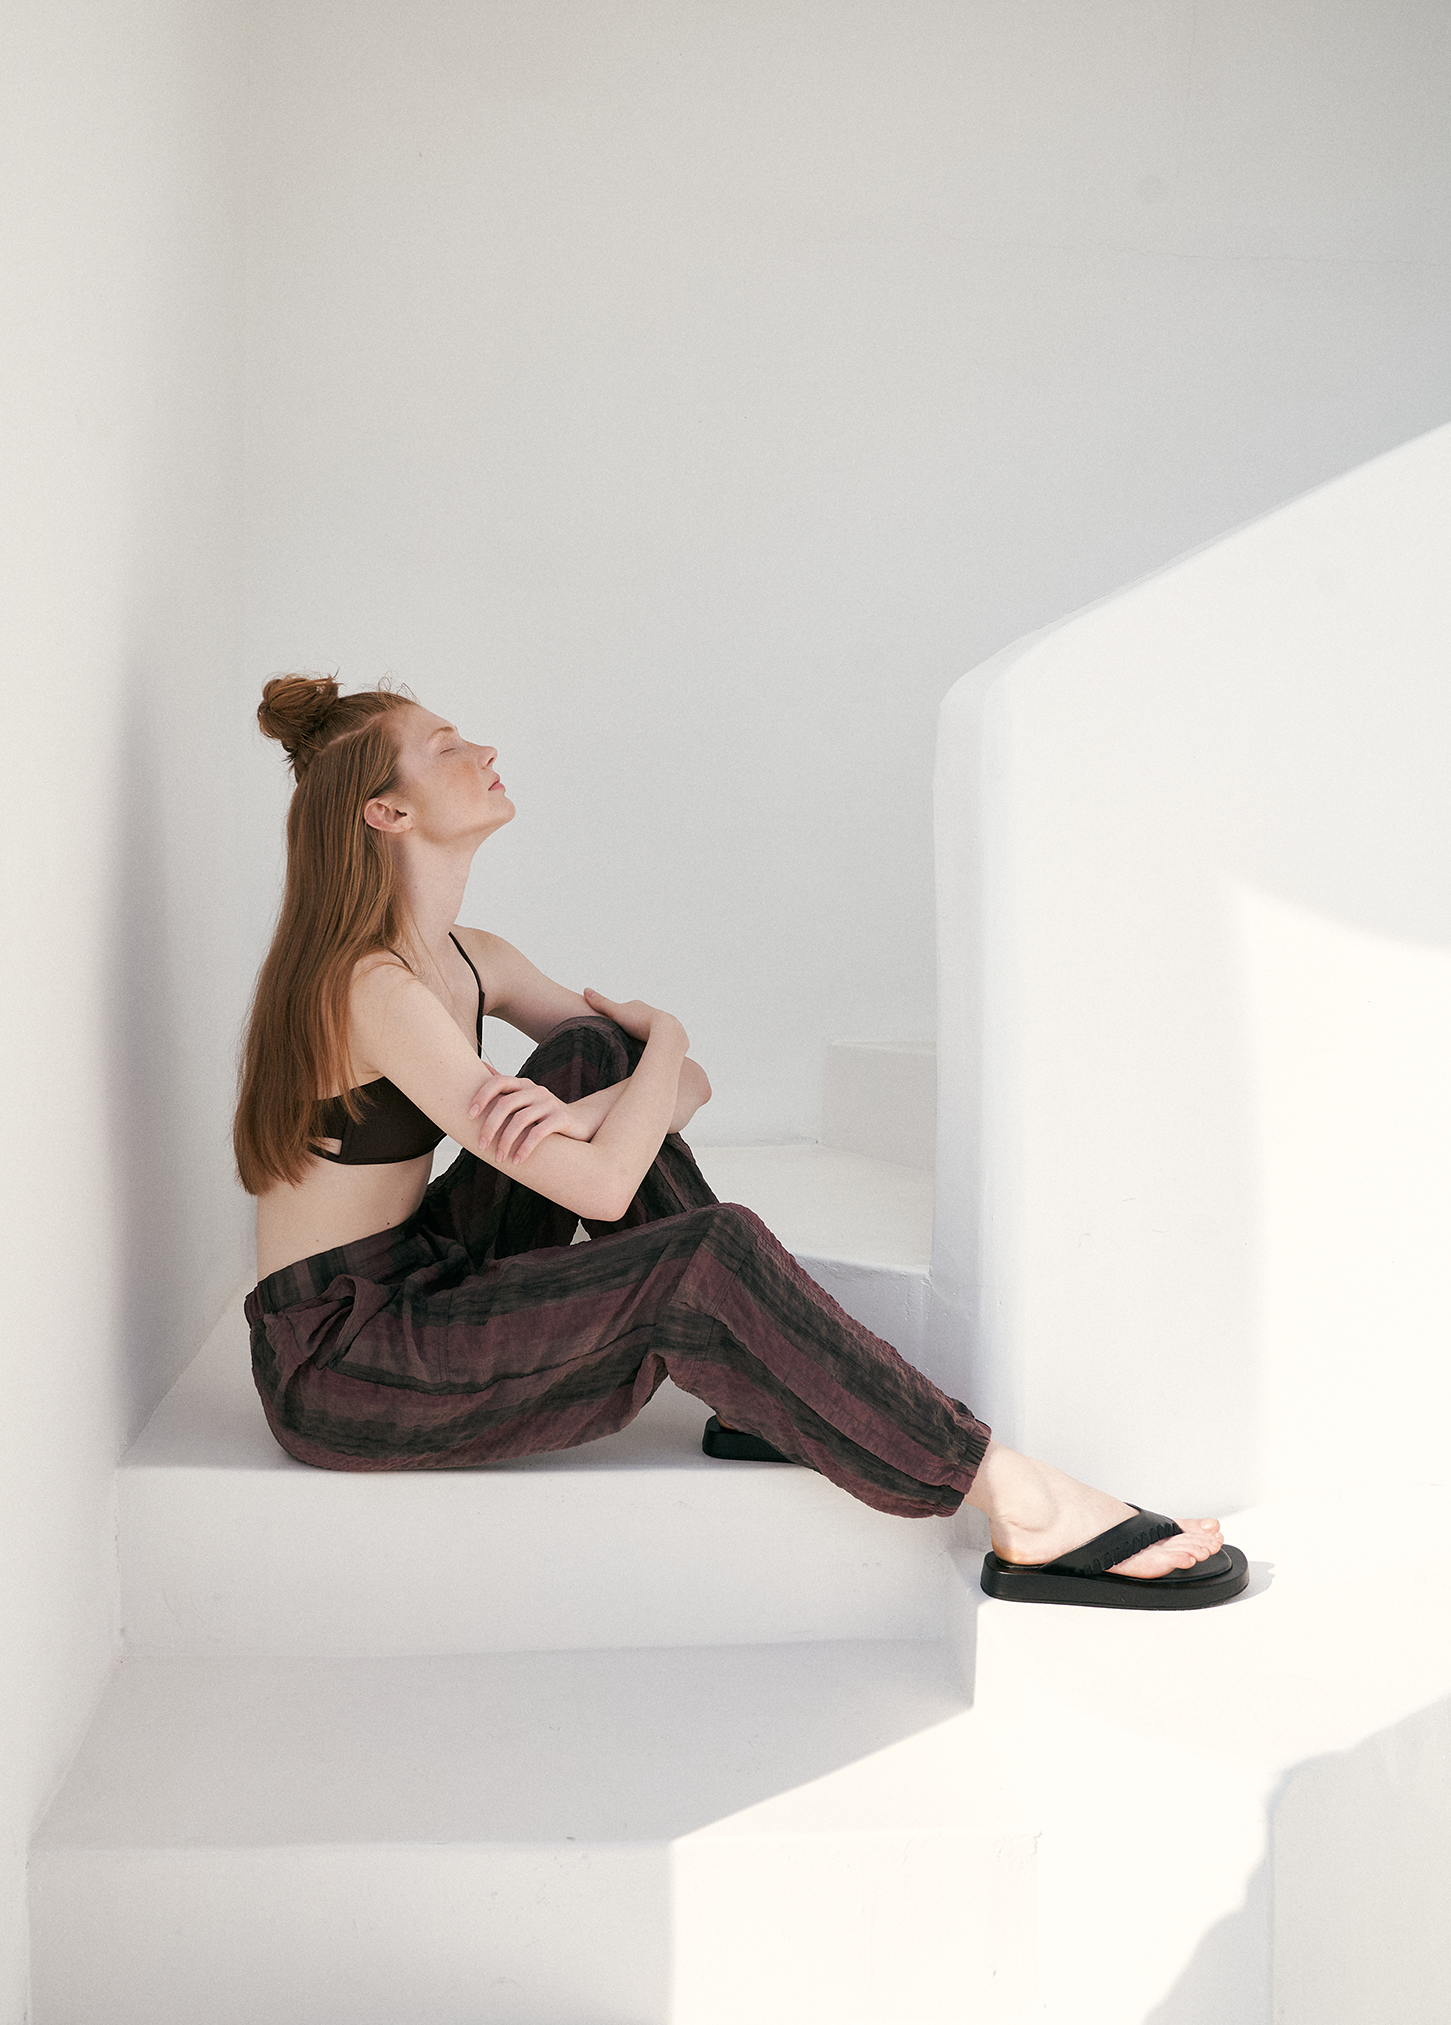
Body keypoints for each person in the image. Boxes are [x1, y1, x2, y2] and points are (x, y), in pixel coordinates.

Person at [234, 674, 1246, 1613]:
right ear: (387, 813)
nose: (485, 749)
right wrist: (664, 1038)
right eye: (447, 745)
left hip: (429, 1270)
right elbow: (607, 1178)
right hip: (345, 1359)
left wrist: (612, 1088)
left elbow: (678, 1087)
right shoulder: (370, 986)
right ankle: (1023, 1502)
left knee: (592, 1051)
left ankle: (767, 1393)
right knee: (700, 1252)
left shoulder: (472, 956)